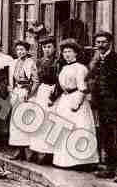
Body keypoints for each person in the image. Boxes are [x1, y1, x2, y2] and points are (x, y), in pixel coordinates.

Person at [53, 39, 99, 168]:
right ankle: (65, 160)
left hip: (76, 100)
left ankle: (81, 161)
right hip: (65, 99)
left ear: (76, 53)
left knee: (79, 128)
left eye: (69, 52)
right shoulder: (64, 67)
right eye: (64, 52)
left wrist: (77, 103)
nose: (66, 54)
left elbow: (82, 88)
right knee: (64, 128)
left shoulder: (81, 68)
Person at [88, 31, 117, 179]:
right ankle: (110, 168)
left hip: (113, 104)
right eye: (98, 42)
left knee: (115, 135)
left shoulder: (115, 59)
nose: (100, 45)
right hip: (101, 104)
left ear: (110, 43)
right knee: (106, 136)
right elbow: (91, 79)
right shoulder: (96, 60)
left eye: (103, 42)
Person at [29, 36, 60, 164]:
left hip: (53, 92)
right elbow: (36, 80)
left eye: (49, 47)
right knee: (40, 121)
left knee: (51, 122)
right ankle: (37, 150)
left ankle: (49, 153)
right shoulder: (39, 62)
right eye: (44, 47)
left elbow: (59, 79)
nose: (47, 50)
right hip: (42, 91)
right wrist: (32, 94)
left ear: (54, 48)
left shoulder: (58, 62)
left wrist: (54, 95)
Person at [8, 41, 39, 161]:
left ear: (27, 50)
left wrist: (29, 93)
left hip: (27, 93)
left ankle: (28, 150)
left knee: (25, 121)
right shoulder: (14, 63)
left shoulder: (31, 63)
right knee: (16, 121)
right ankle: (19, 149)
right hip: (16, 91)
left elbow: (36, 81)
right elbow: (11, 79)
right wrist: (11, 91)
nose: (20, 52)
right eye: (18, 50)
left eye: (22, 49)